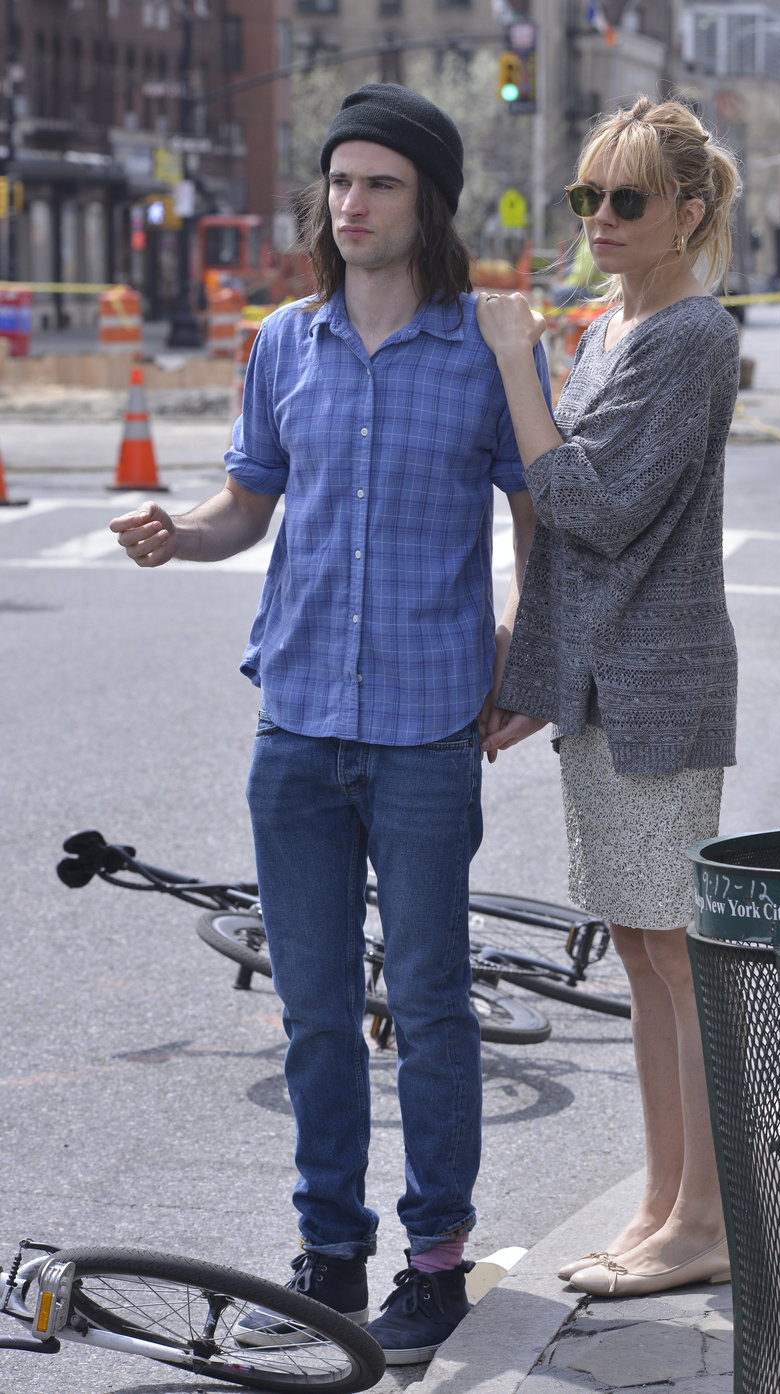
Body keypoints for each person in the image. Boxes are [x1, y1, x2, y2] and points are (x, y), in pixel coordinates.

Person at [110, 82, 549, 1363]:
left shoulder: (484, 348)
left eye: (380, 184)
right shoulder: (282, 342)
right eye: (340, 181)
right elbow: (247, 504)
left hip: (425, 726)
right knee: (311, 1008)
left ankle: (436, 1261)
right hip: (296, 721)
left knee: (429, 1002)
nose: (351, 204)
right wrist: (178, 533)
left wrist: (521, 647)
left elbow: (537, 519)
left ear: (428, 203)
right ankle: (330, 1256)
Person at [476, 95, 741, 1299]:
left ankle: (707, 1219)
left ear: (688, 211)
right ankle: (660, 1203)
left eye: (624, 198)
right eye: (587, 196)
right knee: (638, 948)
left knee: (675, 951)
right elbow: (559, 543)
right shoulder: (610, 326)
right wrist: (533, 674)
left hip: (658, 686)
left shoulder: (691, 334)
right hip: (603, 687)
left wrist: (515, 361)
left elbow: (586, 502)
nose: (598, 217)